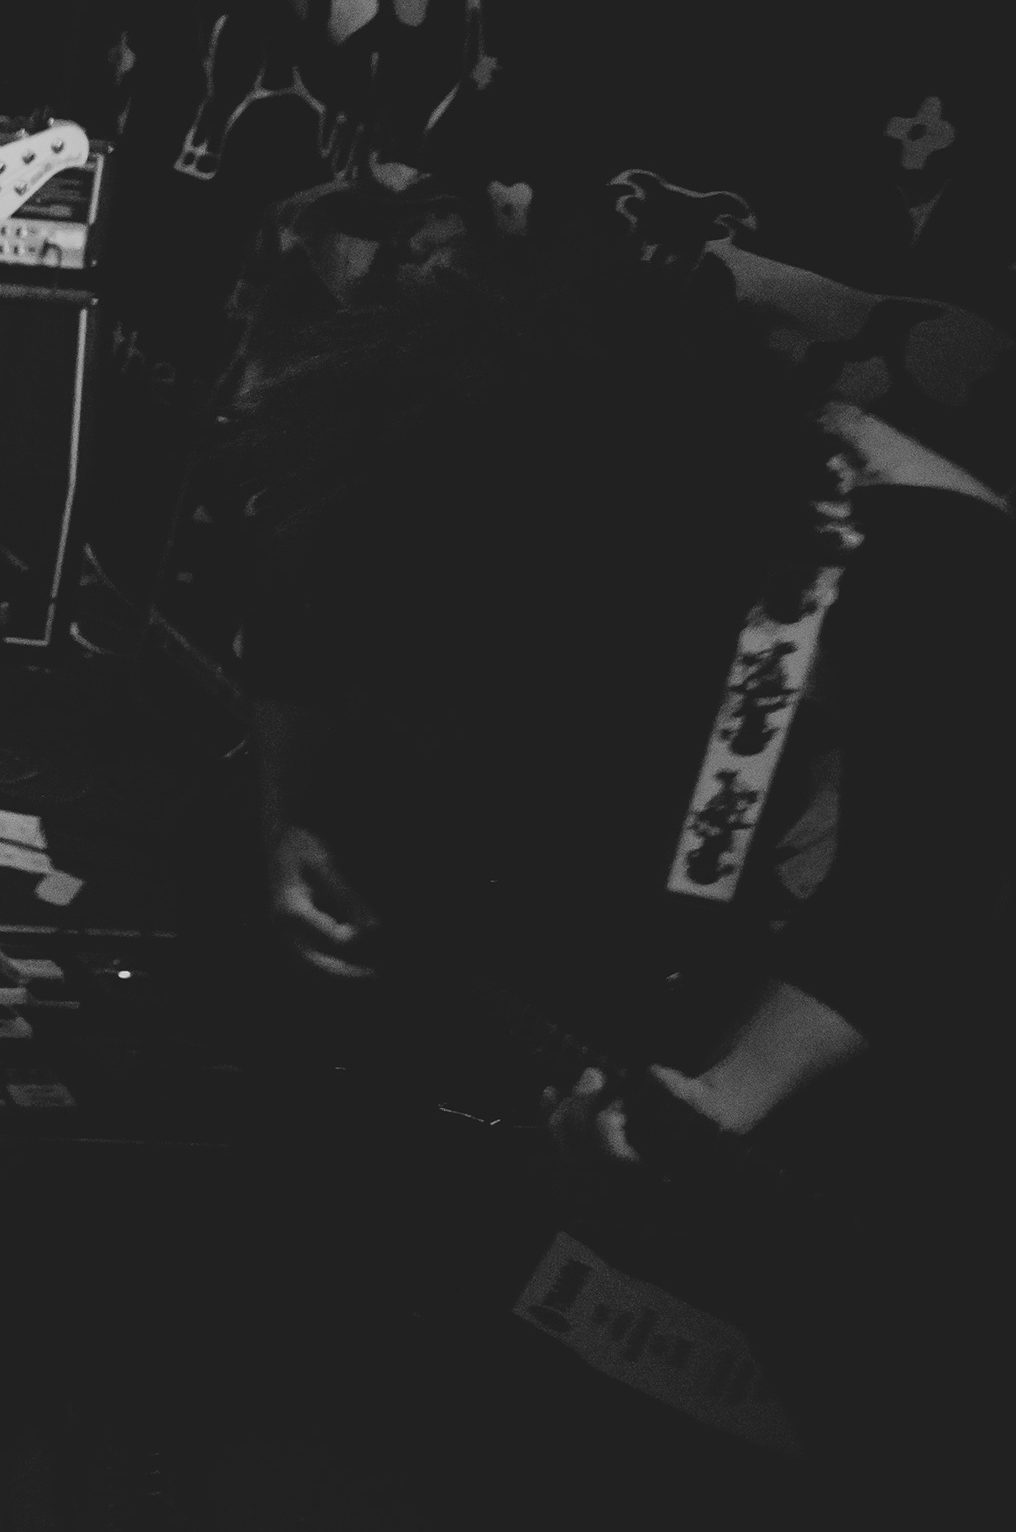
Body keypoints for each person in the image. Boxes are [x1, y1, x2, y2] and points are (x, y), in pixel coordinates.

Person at [232, 239, 1004, 1509]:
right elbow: (299, 608)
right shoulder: (436, 448)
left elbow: (922, 895)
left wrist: (728, 1095)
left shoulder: (936, 567)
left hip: (748, 1023)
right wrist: (293, 821)